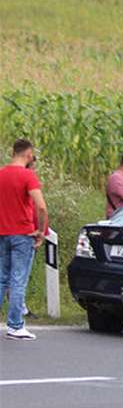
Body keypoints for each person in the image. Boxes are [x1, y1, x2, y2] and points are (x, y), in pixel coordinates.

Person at [0, 139, 48, 341]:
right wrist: (40, 231)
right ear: (28, 154)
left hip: (2, 232)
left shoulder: (1, 174)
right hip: (23, 234)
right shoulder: (28, 176)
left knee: (1, 278)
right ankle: (15, 325)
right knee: (18, 280)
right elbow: (41, 206)